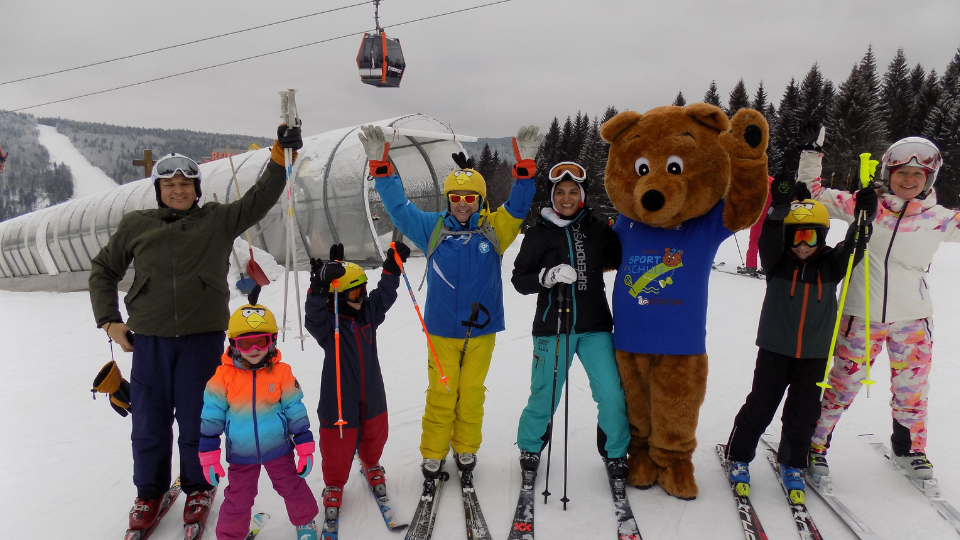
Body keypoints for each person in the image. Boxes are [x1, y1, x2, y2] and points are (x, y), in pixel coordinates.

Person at [88, 124, 302, 531]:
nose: (178, 190)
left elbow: (259, 200)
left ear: (197, 189)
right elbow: (102, 269)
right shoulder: (137, 224)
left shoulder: (216, 221)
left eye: (186, 183)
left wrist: (278, 156)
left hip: (202, 338)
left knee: (196, 418)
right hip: (148, 340)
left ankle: (199, 486)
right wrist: (110, 321)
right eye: (169, 184)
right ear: (159, 190)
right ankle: (148, 492)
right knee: (148, 421)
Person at [359, 124, 540, 477]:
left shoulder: (495, 228)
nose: (462, 203)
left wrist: (526, 168)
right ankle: (434, 452)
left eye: (469, 197)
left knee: (471, 393)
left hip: (482, 330)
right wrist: (381, 167)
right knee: (442, 393)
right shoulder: (432, 228)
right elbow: (398, 207)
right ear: (447, 199)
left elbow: (519, 205)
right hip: (441, 329)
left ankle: (467, 448)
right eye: (455, 197)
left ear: (480, 199)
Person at [798, 133, 955, 481]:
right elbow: (811, 194)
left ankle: (909, 449)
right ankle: (816, 445)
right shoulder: (866, 204)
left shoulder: (940, 218)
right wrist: (812, 153)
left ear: (929, 178)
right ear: (888, 172)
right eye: (902, 172)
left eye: (918, 174)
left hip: (913, 319)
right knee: (842, 384)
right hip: (861, 315)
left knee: (912, 391)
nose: (909, 180)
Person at [724, 172, 874, 503]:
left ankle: (793, 462)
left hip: (815, 354)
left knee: (803, 412)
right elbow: (768, 239)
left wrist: (865, 216)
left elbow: (856, 243)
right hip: (775, 349)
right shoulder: (778, 263)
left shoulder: (832, 265)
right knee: (761, 405)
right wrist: (779, 210)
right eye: (796, 237)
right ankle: (738, 455)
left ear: (822, 237)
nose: (803, 244)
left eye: (810, 236)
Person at [511, 161, 631, 478]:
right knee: (544, 394)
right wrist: (547, 276)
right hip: (553, 329)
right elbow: (519, 280)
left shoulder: (598, 230)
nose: (567, 198)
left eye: (573, 192)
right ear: (552, 195)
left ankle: (616, 452)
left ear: (583, 195)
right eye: (560, 192)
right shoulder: (537, 234)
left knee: (611, 393)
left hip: (595, 328)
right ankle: (530, 447)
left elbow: (623, 256)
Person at [303, 242, 407, 528]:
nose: (361, 298)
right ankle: (334, 483)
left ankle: (371, 462)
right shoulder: (329, 325)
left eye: (363, 290)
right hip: (339, 396)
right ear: (337, 297)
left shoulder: (367, 316)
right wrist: (318, 286)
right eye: (354, 293)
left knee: (375, 429)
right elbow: (312, 315)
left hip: (372, 387)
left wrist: (391, 268)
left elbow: (384, 295)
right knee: (338, 441)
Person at [199, 293, 319, 540]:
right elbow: (211, 418)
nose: (254, 350)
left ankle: (305, 521)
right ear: (233, 344)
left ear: (272, 341)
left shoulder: (282, 373)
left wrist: (305, 445)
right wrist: (209, 455)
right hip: (242, 454)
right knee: (239, 497)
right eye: (245, 344)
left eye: (261, 342)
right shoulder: (222, 378)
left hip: (279, 449)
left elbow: (295, 409)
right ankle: (230, 535)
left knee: (292, 486)